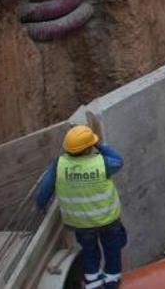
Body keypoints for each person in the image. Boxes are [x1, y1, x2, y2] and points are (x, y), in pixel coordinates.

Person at [35, 124, 126, 289]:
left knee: (89, 251)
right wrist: (99, 145)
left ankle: (93, 281)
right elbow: (119, 161)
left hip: (81, 224)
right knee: (112, 247)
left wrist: (41, 205)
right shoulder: (102, 163)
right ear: (88, 148)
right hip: (107, 220)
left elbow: (44, 190)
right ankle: (112, 280)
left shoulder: (60, 164)